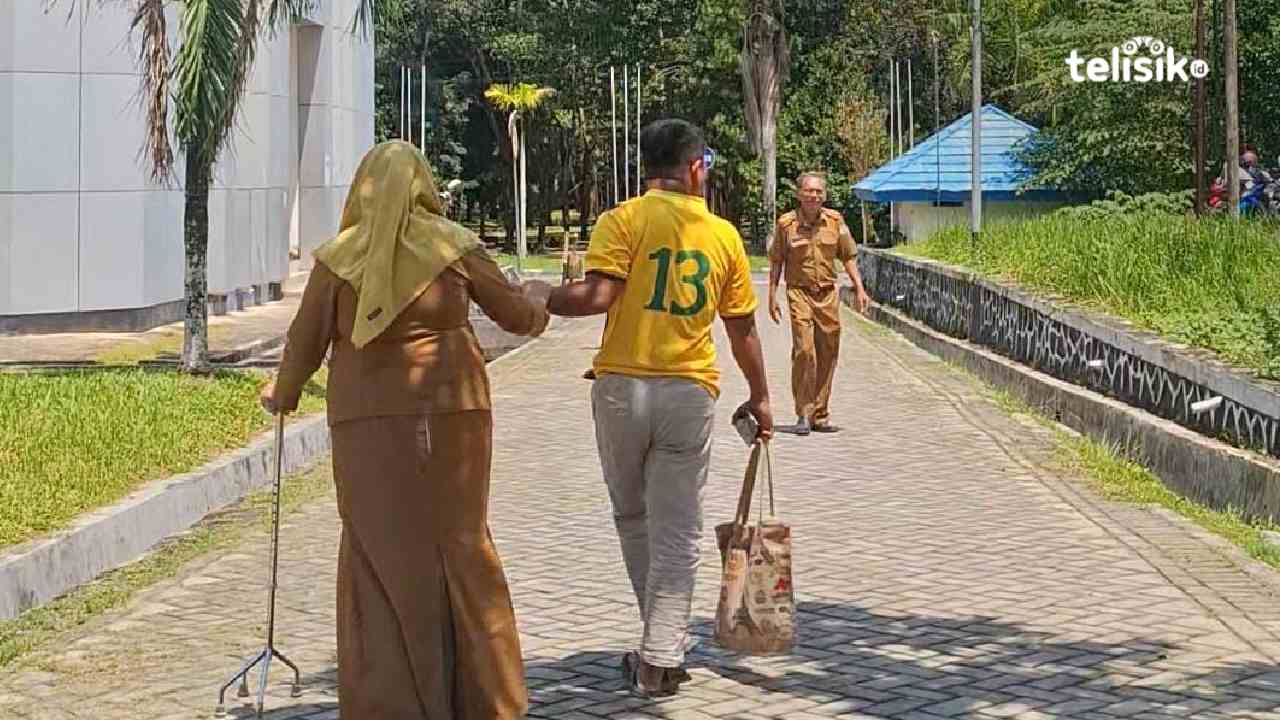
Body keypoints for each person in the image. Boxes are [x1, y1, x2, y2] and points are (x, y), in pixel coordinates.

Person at [259, 141, 549, 720]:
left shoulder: (338, 260)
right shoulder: (454, 247)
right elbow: (517, 315)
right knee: (461, 546)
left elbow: (304, 343)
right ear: (423, 186)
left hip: (366, 425)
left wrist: (282, 395)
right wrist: (539, 302)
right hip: (455, 415)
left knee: (378, 553)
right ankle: (488, 700)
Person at [543, 118, 773, 697]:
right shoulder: (722, 236)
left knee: (633, 518)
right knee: (679, 530)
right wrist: (761, 393)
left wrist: (534, 297)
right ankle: (659, 655)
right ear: (696, 168)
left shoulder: (623, 220)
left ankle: (659, 647)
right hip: (688, 393)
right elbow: (741, 326)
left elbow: (597, 295)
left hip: (621, 389)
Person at [767, 172, 871, 436]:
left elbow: (847, 257)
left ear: (824, 195)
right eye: (809, 191)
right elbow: (777, 259)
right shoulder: (786, 224)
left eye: (818, 192)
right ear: (799, 194)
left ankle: (820, 414)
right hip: (799, 293)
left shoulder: (835, 222)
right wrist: (771, 295)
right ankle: (803, 412)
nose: (814, 196)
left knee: (828, 351)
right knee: (804, 350)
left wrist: (859, 288)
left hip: (827, 295)